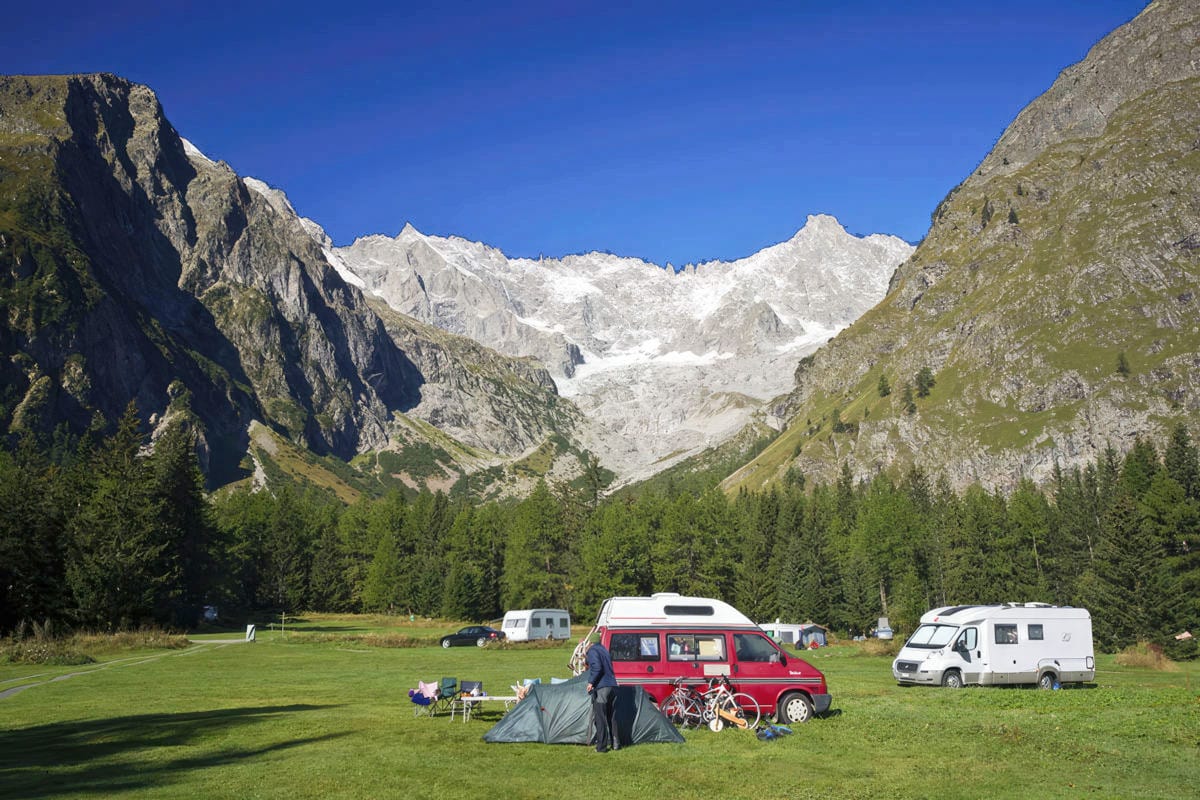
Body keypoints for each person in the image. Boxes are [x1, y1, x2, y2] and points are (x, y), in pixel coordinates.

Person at [585, 632, 619, 752]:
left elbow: (597, 667)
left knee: (600, 717)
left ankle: (601, 747)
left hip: (602, 687)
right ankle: (616, 744)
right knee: (611, 717)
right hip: (613, 686)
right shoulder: (604, 650)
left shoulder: (592, 651)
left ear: (591, 642)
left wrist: (591, 682)